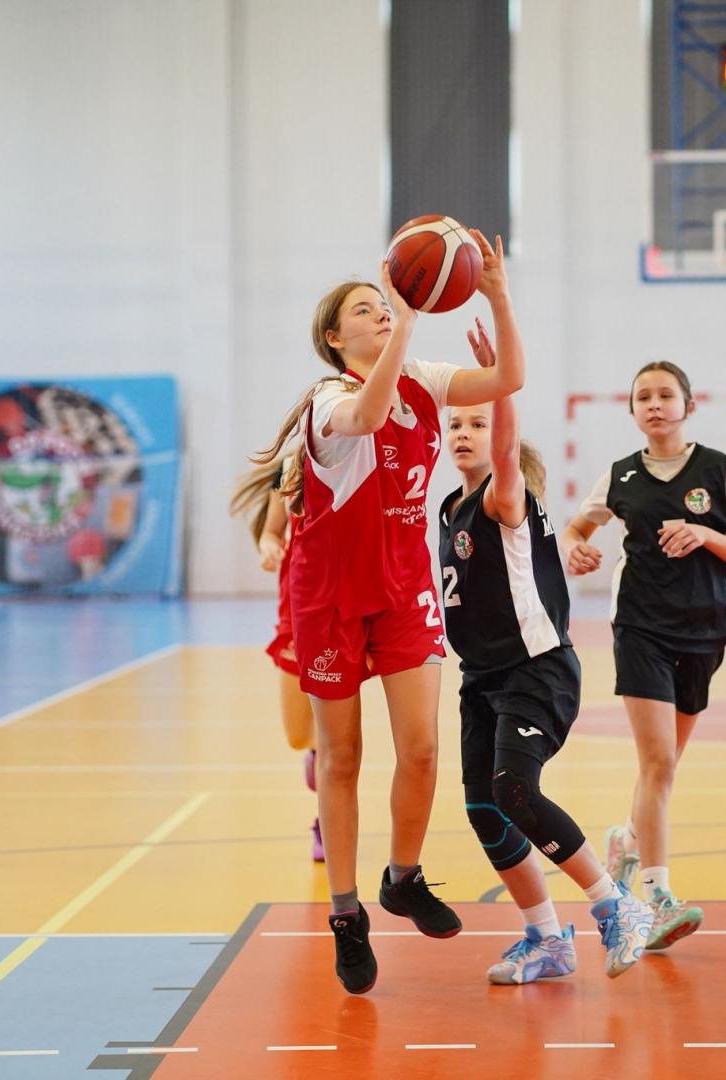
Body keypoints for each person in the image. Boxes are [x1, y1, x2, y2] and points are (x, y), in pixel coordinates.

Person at [250, 232, 524, 994]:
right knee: (341, 757)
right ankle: (346, 914)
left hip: (403, 588)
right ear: (335, 338)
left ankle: (403, 878)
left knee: (424, 750)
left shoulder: (424, 380)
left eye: (385, 304)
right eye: (365, 310)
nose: (380, 313)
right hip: (330, 597)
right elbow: (370, 417)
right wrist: (406, 320)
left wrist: (499, 298)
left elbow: (510, 378)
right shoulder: (329, 402)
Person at [439, 328, 653, 985]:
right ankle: (546, 940)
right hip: (481, 678)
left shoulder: (503, 498)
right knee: (484, 808)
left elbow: (507, 453)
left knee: (514, 788)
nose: (463, 432)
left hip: (536, 669)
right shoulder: (449, 511)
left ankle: (615, 905)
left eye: (478, 423)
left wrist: (498, 382)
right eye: (456, 424)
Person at [560, 361, 726, 952]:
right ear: (632, 411)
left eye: (665, 395)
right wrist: (574, 549)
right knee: (659, 763)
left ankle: (625, 840)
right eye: (643, 396)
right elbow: (574, 530)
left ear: (688, 406)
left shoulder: (720, 468)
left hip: (705, 631)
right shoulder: (620, 475)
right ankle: (658, 899)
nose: (654, 404)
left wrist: (706, 534)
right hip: (640, 627)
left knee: (666, 765)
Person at [229, 453, 327, 862]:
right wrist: (268, 548)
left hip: (345, 614)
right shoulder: (292, 467)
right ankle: (318, 757)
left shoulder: (365, 460)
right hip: (296, 616)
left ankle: (327, 821)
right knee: (299, 736)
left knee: (338, 740)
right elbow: (271, 532)